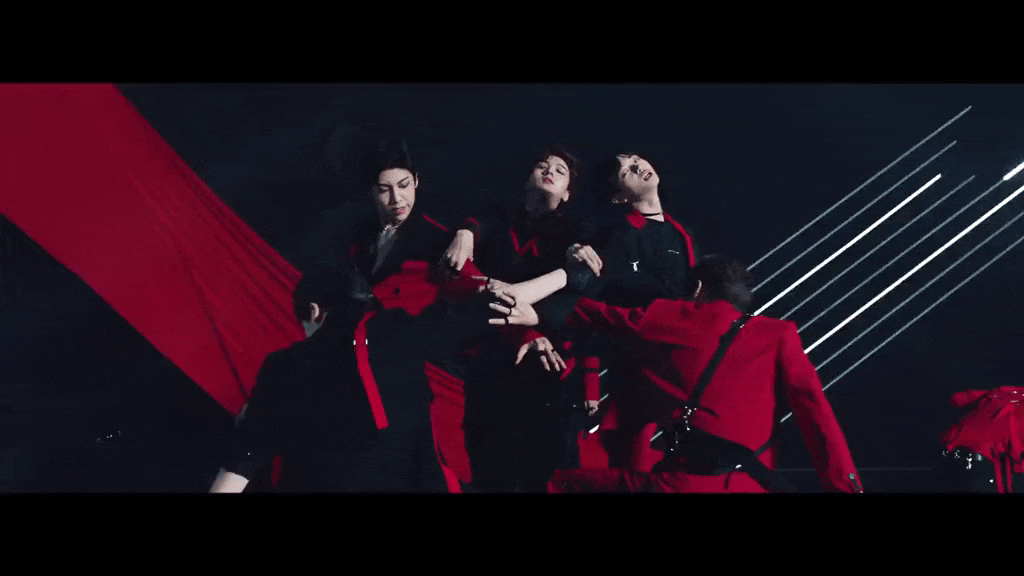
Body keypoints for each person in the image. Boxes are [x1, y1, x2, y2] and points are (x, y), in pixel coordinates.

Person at [487, 255, 863, 493]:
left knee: (559, 483)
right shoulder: (780, 334)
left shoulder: (671, 315)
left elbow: (593, 314)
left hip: (680, 484)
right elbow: (816, 414)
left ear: (697, 289)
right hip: (753, 484)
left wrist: (534, 310)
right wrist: (845, 486)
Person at [209, 264, 490, 493]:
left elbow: (245, 457)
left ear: (314, 311)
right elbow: (473, 319)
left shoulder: (284, 365)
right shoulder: (396, 329)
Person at [450, 146, 596, 492]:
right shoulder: (496, 217)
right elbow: (466, 273)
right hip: (491, 362)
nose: (549, 171)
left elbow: (579, 298)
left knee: (545, 472)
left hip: (548, 368)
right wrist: (465, 231)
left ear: (568, 193)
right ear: (527, 177)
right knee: (489, 469)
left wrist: (537, 323)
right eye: (542, 165)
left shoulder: (575, 236)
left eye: (560, 170)